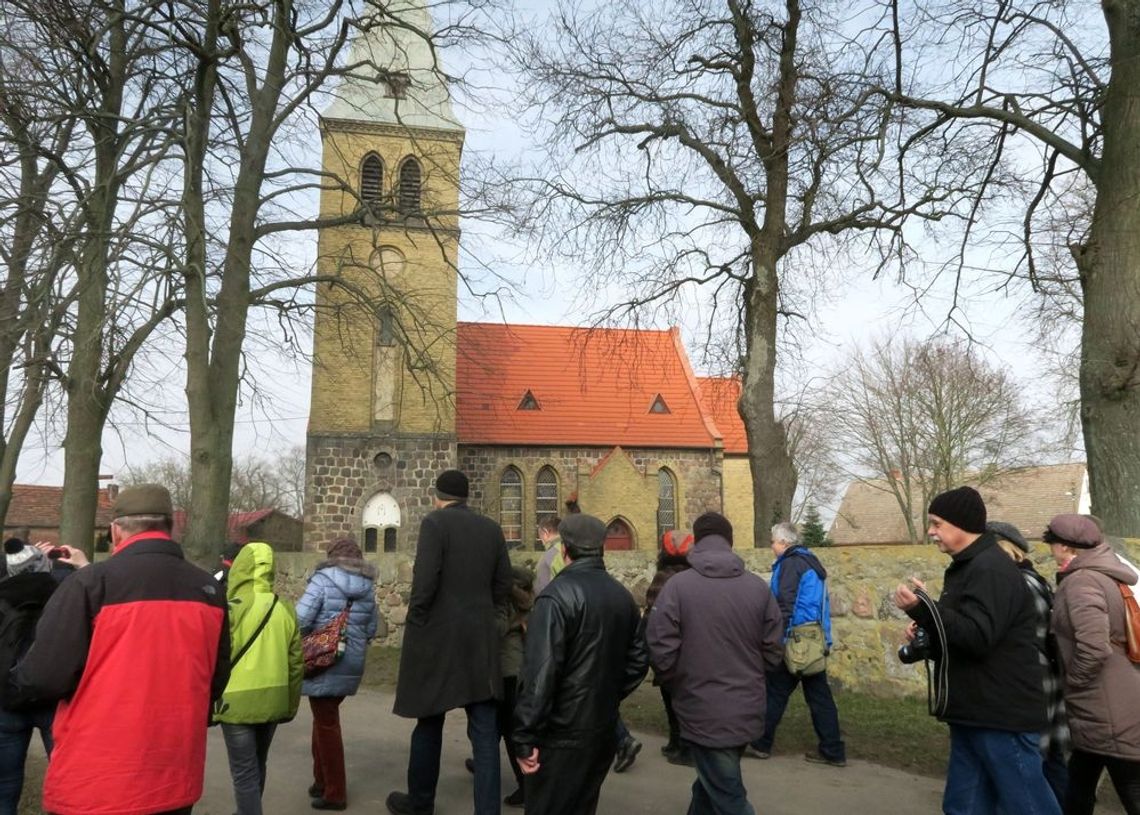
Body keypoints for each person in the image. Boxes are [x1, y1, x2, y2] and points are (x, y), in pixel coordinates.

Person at [14, 483, 230, 815]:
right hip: (174, 775)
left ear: (115, 531)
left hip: (97, 778)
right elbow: (216, 678)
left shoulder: (89, 585)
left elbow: (44, 676)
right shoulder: (209, 590)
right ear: (170, 528)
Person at [892, 486, 1059, 815]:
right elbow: (965, 629)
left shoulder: (991, 569)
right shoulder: (970, 566)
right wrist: (929, 623)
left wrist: (925, 610)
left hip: (1001, 715)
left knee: (1028, 806)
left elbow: (978, 637)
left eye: (937, 523)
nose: (931, 531)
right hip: (974, 711)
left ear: (961, 523)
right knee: (963, 807)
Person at [387, 469, 512, 815]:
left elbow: (425, 583)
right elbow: (503, 584)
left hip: (440, 639)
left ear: (438, 496)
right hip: (481, 640)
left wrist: (417, 625)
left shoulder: (435, 524)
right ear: (467, 497)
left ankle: (420, 801)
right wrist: (492, 620)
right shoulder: (491, 529)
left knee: (429, 721)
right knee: (485, 733)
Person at [646, 512, 784, 815]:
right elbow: (773, 648)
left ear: (697, 541)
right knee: (710, 783)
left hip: (701, 708)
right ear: (729, 542)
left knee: (728, 795)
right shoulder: (758, 588)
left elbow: (659, 646)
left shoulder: (677, 587)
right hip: (745, 705)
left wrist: (676, 681)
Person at [513, 513, 648, 815]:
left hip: (561, 733)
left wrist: (524, 736)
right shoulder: (622, 597)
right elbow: (638, 660)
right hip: (599, 729)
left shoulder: (555, 598)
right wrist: (605, 693)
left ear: (564, 550)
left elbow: (539, 674)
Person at [1046, 513, 1140, 814]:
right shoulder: (1107, 573)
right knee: (1079, 783)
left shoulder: (1082, 580)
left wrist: (1075, 682)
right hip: (1110, 699)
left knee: (1131, 786)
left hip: (1105, 703)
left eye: (1053, 544)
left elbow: (1093, 647)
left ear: (1064, 547)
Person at [213, 542, 303, 815]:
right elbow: (296, 664)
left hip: (236, 703)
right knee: (257, 764)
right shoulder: (285, 609)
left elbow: (217, 656)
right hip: (273, 700)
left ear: (241, 567)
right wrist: (290, 705)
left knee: (243, 773)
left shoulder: (231, 609)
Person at [747, 521, 846, 767]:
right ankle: (833, 750)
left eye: (773, 542)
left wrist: (775, 640)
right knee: (819, 696)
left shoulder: (790, 564)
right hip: (813, 639)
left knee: (775, 690)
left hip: (794, 639)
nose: (771, 547)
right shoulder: (811, 562)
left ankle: (761, 743)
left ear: (783, 542)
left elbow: (784, 604)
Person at [988, 520, 1069, 806]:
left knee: (1035, 761)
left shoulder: (1020, 583)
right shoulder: (1034, 578)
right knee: (1050, 757)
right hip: (1043, 674)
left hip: (1031, 676)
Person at [297, 537, 380, 811]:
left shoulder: (322, 579)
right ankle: (320, 780)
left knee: (327, 723)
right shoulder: (368, 587)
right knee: (324, 718)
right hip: (350, 661)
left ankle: (335, 792)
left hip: (323, 658)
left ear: (332, 556)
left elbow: (301, 619)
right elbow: (371, 629)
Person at [0, 539, 74, 815]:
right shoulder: (66, 594)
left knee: (4, 787)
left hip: (5, 701)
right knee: (66, 783)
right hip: (54, 700)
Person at [465, 565, 535, 808]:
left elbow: (498, 629)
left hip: (506, 671)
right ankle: (485, 763)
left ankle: (527, 785)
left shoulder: (506, 598)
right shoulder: (526, 598)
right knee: (504, 729)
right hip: (517, 669)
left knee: (509, 731)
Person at [645, 528, 695, 766]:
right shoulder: (696, 576)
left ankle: (679, 742)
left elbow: (652, 615)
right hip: (691, 648)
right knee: (686, 700)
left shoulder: (662, 577)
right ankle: (679, 742)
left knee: (671, 699)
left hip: (669, 649)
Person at [533, 516, 563, 594]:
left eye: (540, 535)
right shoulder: (570, 548)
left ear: (546, 532)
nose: (541, 541)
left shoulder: (552, 554)